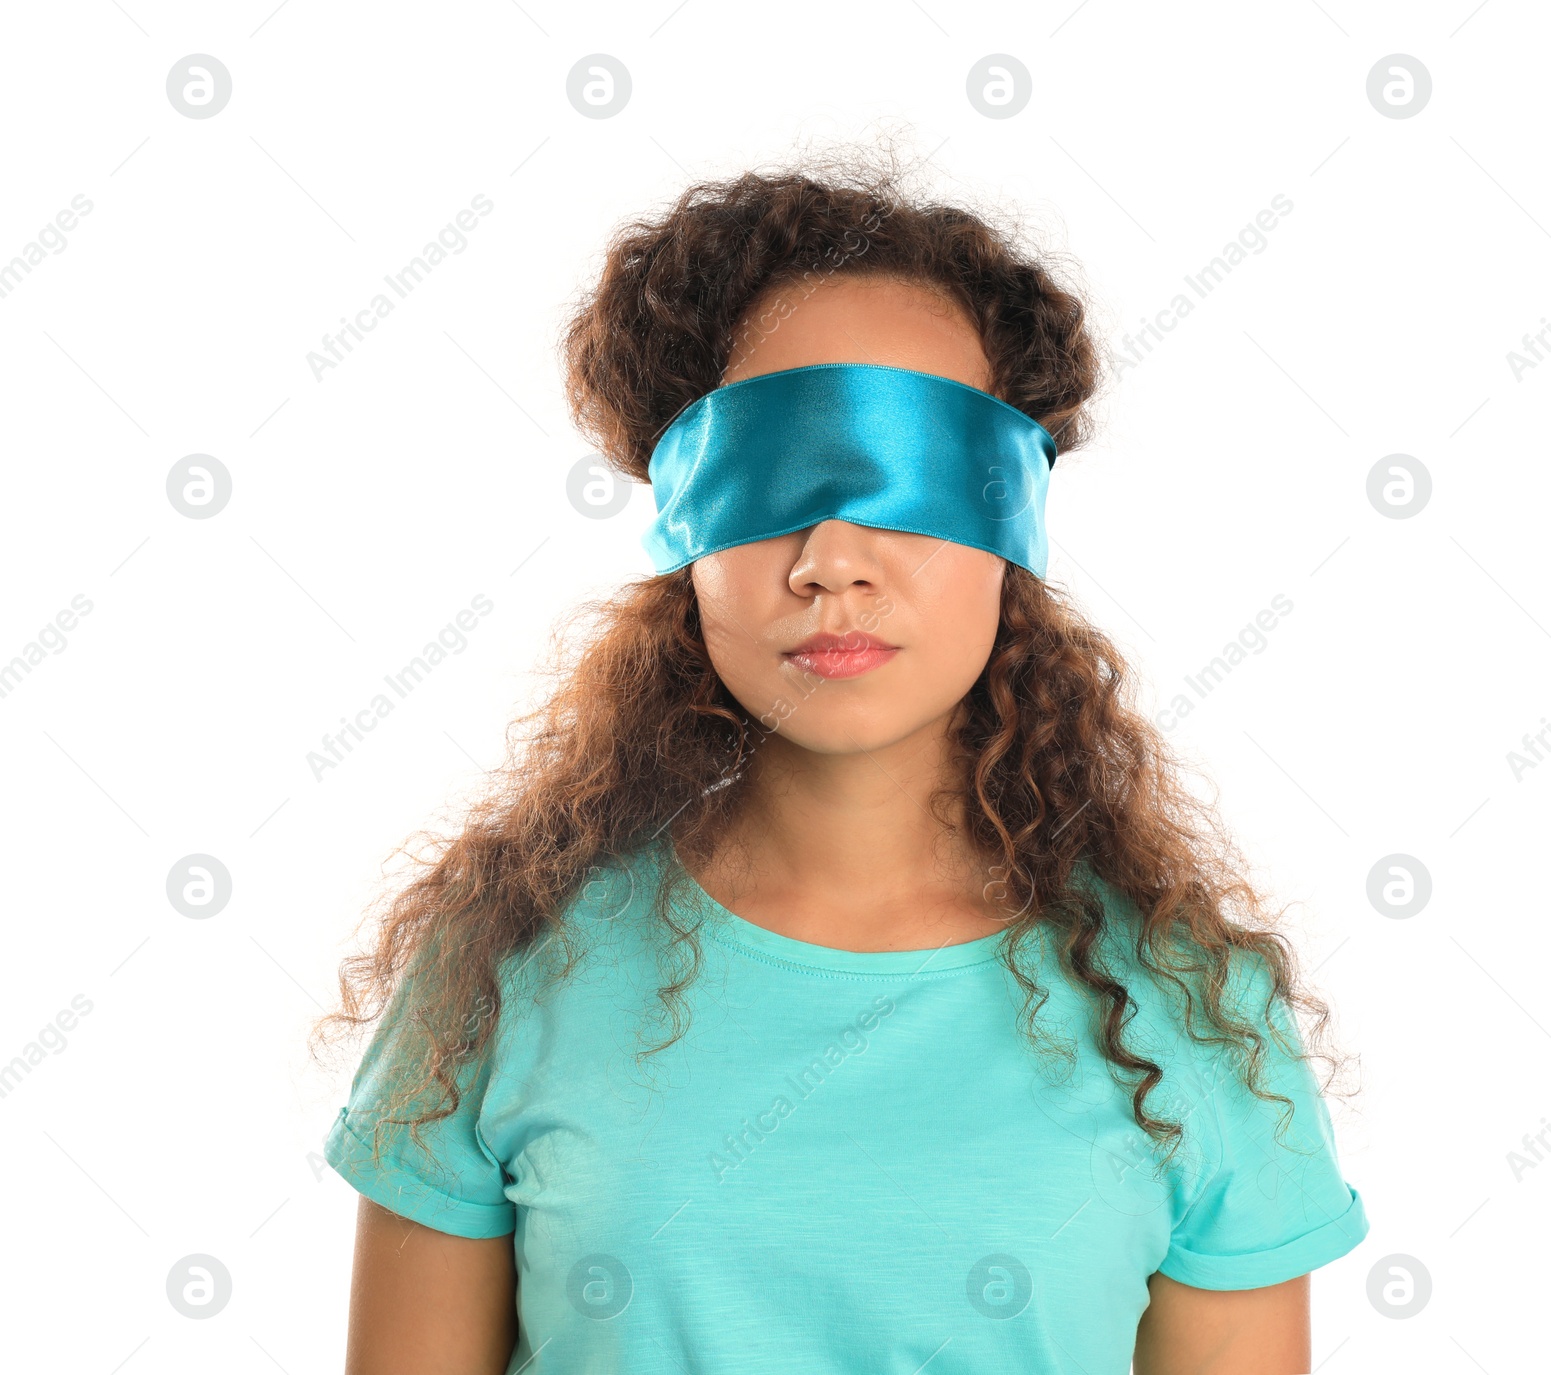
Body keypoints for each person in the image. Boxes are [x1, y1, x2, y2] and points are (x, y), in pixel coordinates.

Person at [316, 156, 1368, 1375]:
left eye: (905, 477)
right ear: (684, 529)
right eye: (770, 479)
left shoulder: (1194, 1011)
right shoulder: (502, 964)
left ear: (1007, 525)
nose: (832, 560)